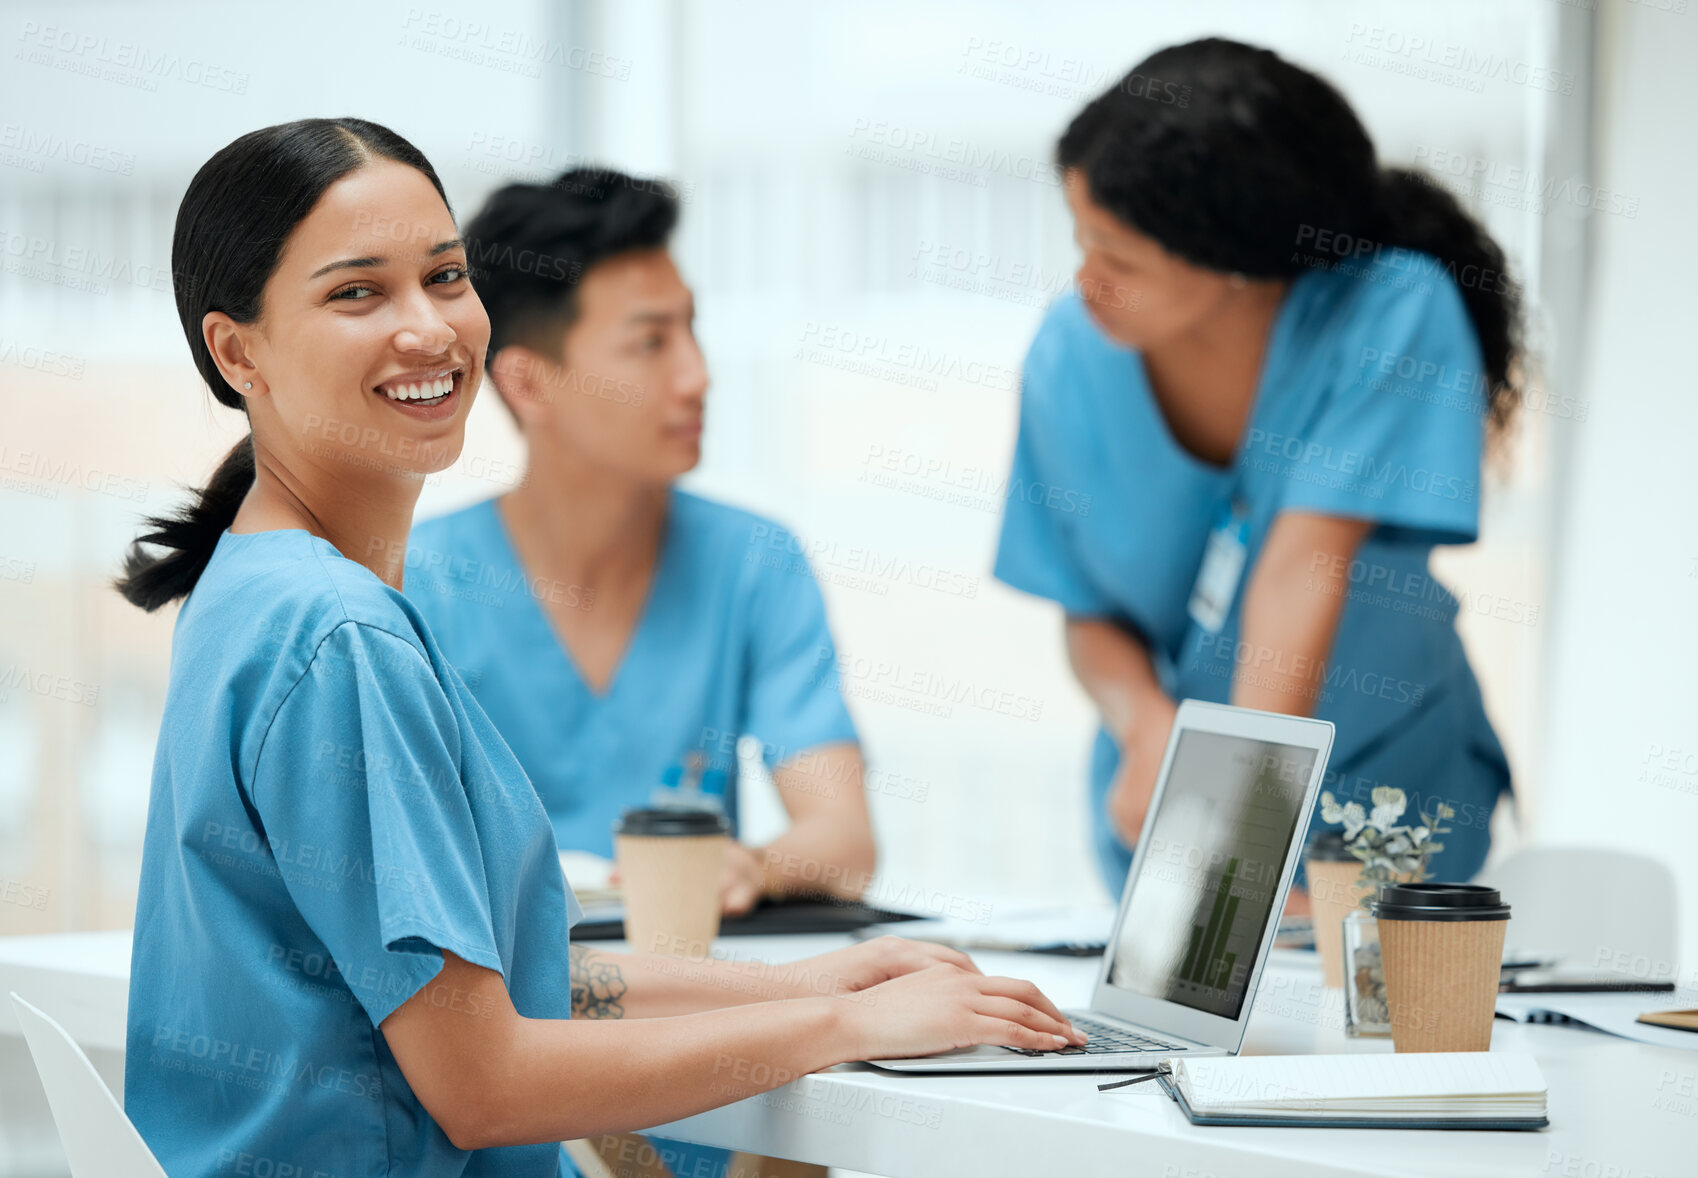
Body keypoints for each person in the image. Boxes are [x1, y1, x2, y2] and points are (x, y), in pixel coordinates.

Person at [116, 117, 1084, 1177]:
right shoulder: (341, 637)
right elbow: (485, 1081)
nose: (429, 328)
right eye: (357, 293)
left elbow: (514, 984)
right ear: (235, 350)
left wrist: (821, 982)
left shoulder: (253, 588)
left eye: (445, 276)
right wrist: (845, 1028)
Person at [993, 38, 1523, 905]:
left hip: (1385, 787)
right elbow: (1088, 614)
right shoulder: (1068, 356)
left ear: (1237, 260)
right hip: (1175, 803)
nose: (1086, 282)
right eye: (1082, 242)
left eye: (1118, 260)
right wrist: (1146, 728)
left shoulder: (1390, 309)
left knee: (1376, 1024)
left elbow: (1296, 566)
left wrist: (1238, 830)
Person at [405, 168, 875, 918]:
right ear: (528, 383)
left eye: (691, 329)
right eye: (650, 343)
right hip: (501, 1005)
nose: (698, 376)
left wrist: (752, 866)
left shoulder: (754, 564)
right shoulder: (414, 584)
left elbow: (845, 841)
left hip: (692, 988)